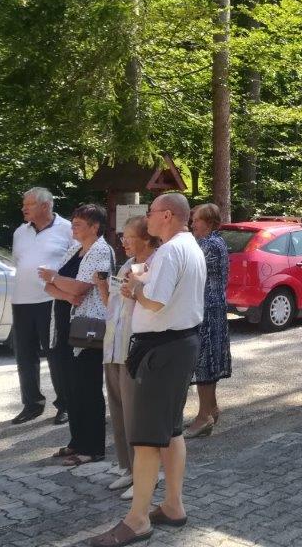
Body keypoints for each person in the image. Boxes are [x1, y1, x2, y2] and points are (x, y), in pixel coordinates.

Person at [90, 192, 204, 547]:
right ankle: (172, 505)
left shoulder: (169, 251)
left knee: (145, 440)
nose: (148, 217)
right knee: (171, 431)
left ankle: (137, 520)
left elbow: (155, 300)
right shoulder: (190, 246)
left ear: (167, 215)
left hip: (162, 350)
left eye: (152, 212)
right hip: (180, 345)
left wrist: (134, 290)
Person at [40, 204, 114, 466]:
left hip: (88, 329)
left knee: (88, 387)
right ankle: (77, 441)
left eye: (79, 223)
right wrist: (64, 290)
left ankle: (92, 447)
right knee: (71, 387)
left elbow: (80, 288)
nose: (73, 226)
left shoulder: (100, 250)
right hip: (65, 325)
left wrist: (55, 279)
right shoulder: (75, 249)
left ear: (95, 227)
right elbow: (50, 288)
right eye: (73, 222)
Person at [96, 216, 159, 494]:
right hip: (113, 347)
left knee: (137, 415)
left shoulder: (156, 264)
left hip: (134, 349)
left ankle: (146, 475)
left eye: (129, 237)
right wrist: (102, 288)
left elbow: (155, 305)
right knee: (119, 412)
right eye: (122, 237)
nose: (123, 242)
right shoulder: (126, 264)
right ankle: (128, 468)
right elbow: (113, 305)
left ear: (146, 238)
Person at [11, 187, 75, 425]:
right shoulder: (20, 231)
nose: (23, 208)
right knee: (24, 355)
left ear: (45, 206)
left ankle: (65, 404)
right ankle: (32, 404)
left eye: (29, 204)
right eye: (24, 204)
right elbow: (19, 262)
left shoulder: (67, 228)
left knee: (56, 353)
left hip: (51, 300)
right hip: (21, 301)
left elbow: (76, 262)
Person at [185, 203, 231, 438]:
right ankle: (211, 409)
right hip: (211, 307)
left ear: (210, 222)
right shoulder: (213, 241)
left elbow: (186, 268)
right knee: (208, 360)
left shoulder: (209, 245)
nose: (192, 224)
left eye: (197, 220)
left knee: (205, 361)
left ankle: (204, 417)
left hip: (207, 310)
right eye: (192, 219)